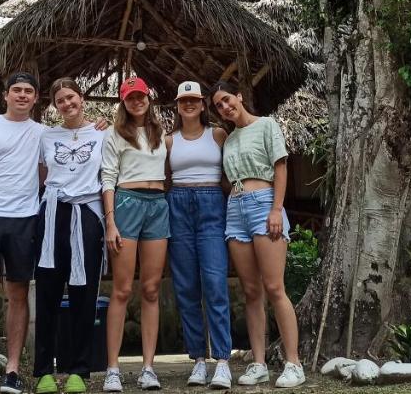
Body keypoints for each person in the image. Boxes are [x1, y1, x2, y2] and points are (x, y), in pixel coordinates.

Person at [0, 73, 107, 393]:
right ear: (6, 95)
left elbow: (53, 170)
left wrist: (99, 126)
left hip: (27, 218)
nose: (22, 95)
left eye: (28, 91)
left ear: (36, 99)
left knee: (18, 292)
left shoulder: (44, 133)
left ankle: (12, 370)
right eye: (17, 90)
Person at [209, 81, 305, 389]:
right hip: (234, 209)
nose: (224, 107)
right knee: (251, 291)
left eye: (227, 100)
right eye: (218, 106)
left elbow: (281, 167)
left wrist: (276, 209)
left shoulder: (266, 125)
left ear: (238, 96)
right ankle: (259, 363)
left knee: (275, 287)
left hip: (264, 204)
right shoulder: (229, 138)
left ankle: (294, 363)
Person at [32, 78, 108, 394]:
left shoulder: (103, 133)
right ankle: (43, 372)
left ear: (82, 98)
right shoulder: (47, 136)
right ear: (55, 105)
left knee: (84, 294)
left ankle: (80, 370)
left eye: (71, 97)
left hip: (87, 215)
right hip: (52, 216)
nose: (67, 103)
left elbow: (109, 176)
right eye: (60, 100)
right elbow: (41, 176)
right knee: (48, 292)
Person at [100, 76, 169, 392]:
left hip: (158, 204)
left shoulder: (160, 131)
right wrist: (111, 222)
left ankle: (148, 368)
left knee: (152, 289)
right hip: (127, 203)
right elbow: (108, 178)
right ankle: (112, 368)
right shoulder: (114, 133)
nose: (137, 101)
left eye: (141, 95)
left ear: (148, 97)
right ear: (123, 102)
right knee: (123, 289)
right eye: (130, 97)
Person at [165, 81, 233, 389]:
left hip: (211, 205)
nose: (189, 105)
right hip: (178, 204)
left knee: (215, 283)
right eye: (183, 101)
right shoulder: (168, 141)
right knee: (186, 287)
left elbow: (230, 175)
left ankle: (222, 360)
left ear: (203, 104)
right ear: (177, 106)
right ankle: (198, 360)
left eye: (194, 100)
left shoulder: (217, 134)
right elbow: (165, 179)